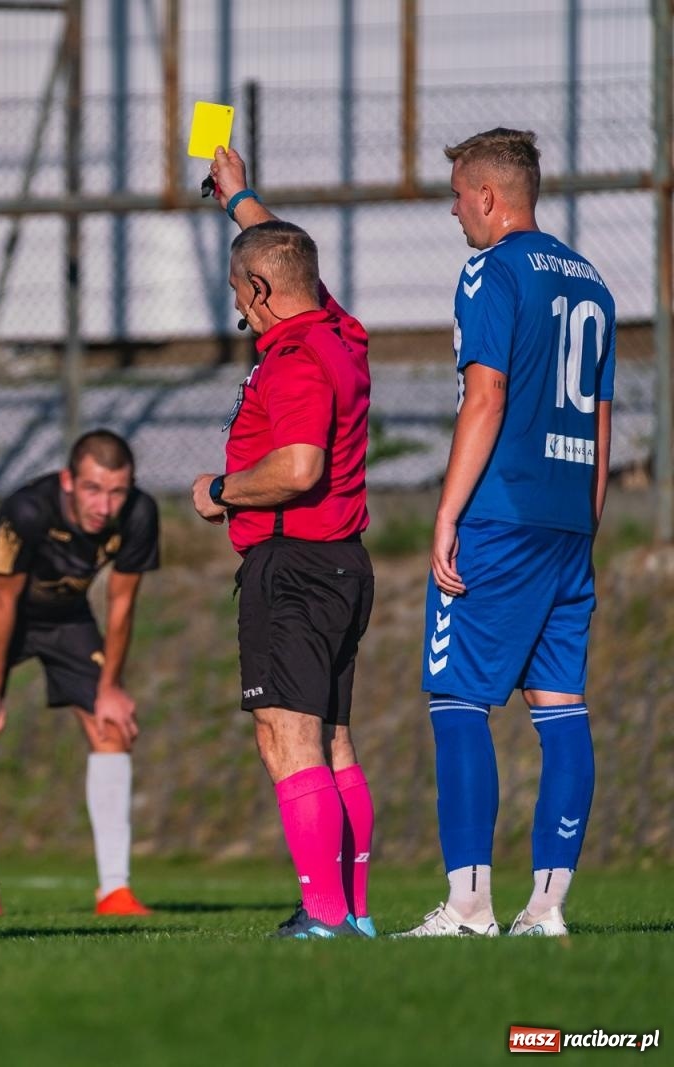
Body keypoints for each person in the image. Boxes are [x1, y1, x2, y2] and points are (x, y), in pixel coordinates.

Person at [400, 129, 614, 939]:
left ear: (491, 195)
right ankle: (546, 910)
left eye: (458, 194)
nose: (454, 210)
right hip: (567, 520)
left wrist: (449, 510)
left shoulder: (492, 269)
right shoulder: (591, 282)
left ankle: (468, 907)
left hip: (501, 514)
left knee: (457, 700)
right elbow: (600, 423)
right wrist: (583, 528)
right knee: (561, 708)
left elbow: (484, 396)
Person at [190, 147, 376, 939]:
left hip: (293, 563)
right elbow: (282, 252)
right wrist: (242, 199)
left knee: (286, 735)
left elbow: (298, 468)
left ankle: (327, 917)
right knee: (332, 739)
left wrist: (219, 491)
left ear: (260, 292)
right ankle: (353, 914)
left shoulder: (296, 362)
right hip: (343, 563)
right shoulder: (339, 329)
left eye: (241, 294)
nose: (242, 308)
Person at [0, 429, 160, 918]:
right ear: (69, 481)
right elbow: (2, 599)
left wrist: (111, 688)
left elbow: (122, 603)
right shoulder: (27, 510)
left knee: (112, 727)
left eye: (116, 491)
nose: (104, 505)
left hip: (65, 614)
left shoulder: (141, 514)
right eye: (92, 489)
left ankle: (115, 890)